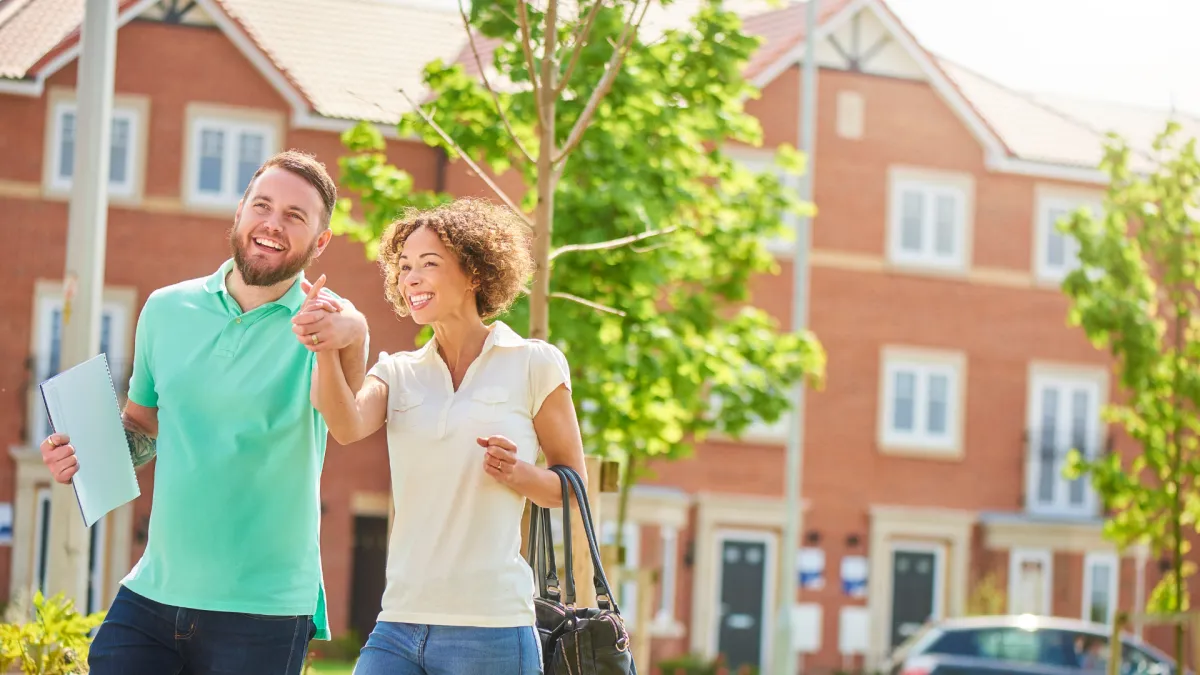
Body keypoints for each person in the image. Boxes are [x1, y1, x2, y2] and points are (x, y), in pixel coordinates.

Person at [38, 150, 370, 675]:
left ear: (320, 241)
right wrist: (86, 456)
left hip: (264, 607)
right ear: (239, 212)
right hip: (153, 590)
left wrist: (353, 331)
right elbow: (142, 426)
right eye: (262, 205)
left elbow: (352, 413)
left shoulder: (324, 326)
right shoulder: (166, 309)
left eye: (294, 216)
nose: (272, 224)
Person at [298, 199, 587, 675]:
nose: (411, 277)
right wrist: (325, 347)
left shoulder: (533, 362)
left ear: (475, 273)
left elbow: (573, 487)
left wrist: (519, 473)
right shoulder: (399, 371)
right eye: (405, 266)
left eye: (429, 264)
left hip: (493, 629)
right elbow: (345, 424)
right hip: (399, 623)